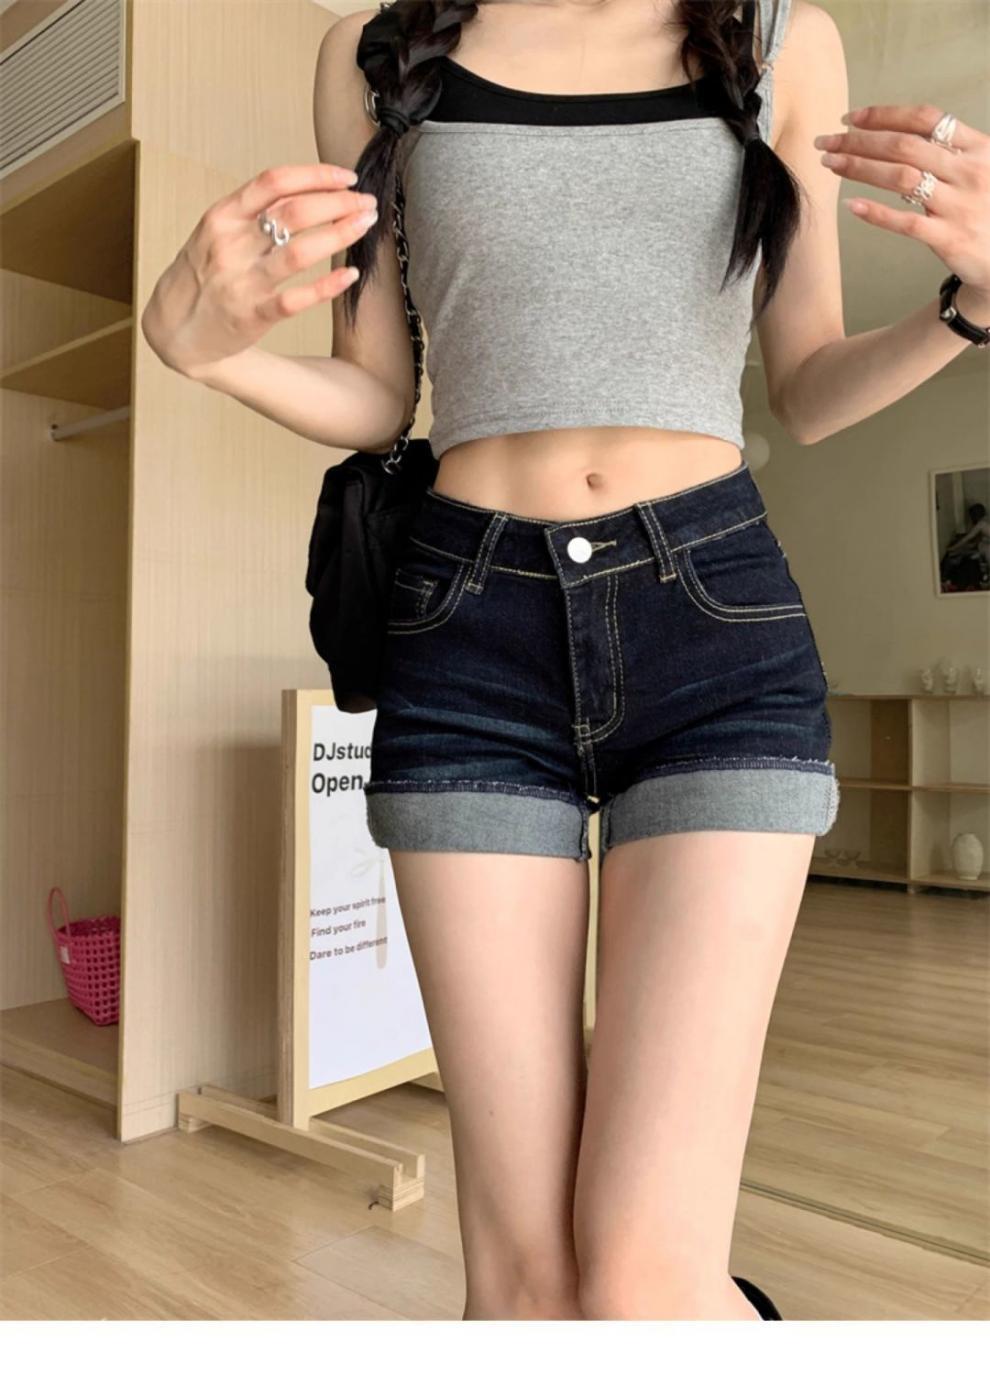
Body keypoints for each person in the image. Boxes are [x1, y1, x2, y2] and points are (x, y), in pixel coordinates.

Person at [140, 0, 990, 1323]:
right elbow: (379, 393)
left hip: (712, 623)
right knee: (523, 1292)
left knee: (646, 1282)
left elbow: (807, 385)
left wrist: (972, 310)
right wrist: (204, 355)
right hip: (466, 628)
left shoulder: (780, 35)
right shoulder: (374, 49)